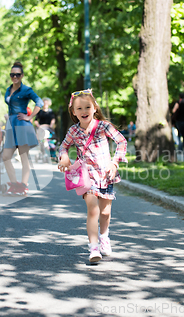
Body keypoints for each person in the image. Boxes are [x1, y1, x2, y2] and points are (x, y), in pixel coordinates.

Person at [58, 89, 127, 263]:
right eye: (79, 108)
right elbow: (63, 147)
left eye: (87, 107)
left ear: (94, 108)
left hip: (105, 175)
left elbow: (121, 141)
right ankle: (93, 247)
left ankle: (104, 236)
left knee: (105, 212)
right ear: (73, 112)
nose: (83, 111)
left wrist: (115, 162)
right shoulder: (74, 130)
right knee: (93, 210)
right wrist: (64, 157)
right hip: (86, 177)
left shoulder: (103, 126)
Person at [2, 61, 44, 196]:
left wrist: (29, 118)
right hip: (11, 124)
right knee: (5, 156)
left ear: (22, 75)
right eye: (12, 74)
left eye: (17, 75)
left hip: (22, 125)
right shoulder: (8, 89)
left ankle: (24, 186)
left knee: (23, 156)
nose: (15, 77)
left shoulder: (26, 90)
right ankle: (14, 185)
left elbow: (40, 102)